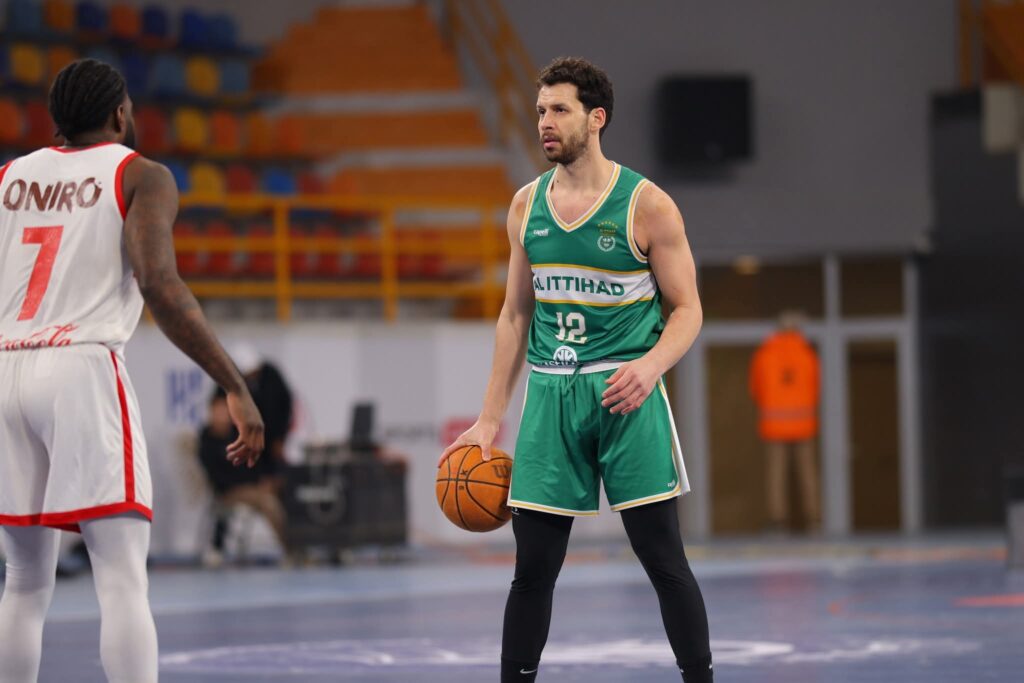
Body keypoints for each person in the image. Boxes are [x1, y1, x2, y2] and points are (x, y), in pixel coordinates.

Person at [440, 57, 713, 683]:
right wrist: (489, 418)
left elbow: (689, 309)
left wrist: (650, 367)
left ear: (596, 119)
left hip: (625, 394)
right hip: (551, 396)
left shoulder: (647, 206)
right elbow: (514, 314)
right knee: (532, 569)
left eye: (559, 110)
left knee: (663, 561)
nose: (545, 121)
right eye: (540, 110)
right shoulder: (525, 206)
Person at [0, 59, 264, 683]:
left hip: (7, 367)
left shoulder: (9, 177)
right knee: (120, 578)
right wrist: (234, 383)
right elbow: (160, 286)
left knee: (24, 580)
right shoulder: (140, 174)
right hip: (81, 366)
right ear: (120, 114)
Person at [749, 311, 821, 532]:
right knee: (807, 473)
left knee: (776, 474)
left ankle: (777, 521)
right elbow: (816, 388)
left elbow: (756, 389)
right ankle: (813, 520)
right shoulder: (808, 355)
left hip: (774, 424)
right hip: (803, 422)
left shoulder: (764, 354)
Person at [198, 390, 288, 564]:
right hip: (228, 492)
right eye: (218, 410)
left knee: (283, 491)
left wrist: (262, 480)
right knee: (268, 503)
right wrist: (250, 485)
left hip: (251, 488)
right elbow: (217, 477)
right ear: (211, 412)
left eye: (224, 410)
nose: (221, 415)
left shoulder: (237, 434)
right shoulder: (207, 441)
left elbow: (252, 463)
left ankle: (299, 542)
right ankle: (290, 549)